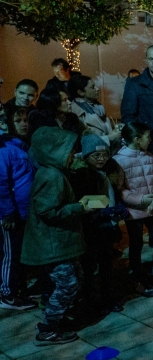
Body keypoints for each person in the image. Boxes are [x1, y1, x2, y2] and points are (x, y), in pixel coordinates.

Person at [24, 127, 100, 345]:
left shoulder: (56, 173)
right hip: (53, 244)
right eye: (67, 151)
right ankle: (48, 327)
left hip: (62, 241)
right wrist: (79, 208)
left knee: (75, 279)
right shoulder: (50, 176)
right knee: (67, 283)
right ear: (53, 151)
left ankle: (58, 315)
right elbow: (47, 211)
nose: (71, 155)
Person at [70, 135, 128, 313]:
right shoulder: (80, 174)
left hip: (106, 226)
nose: (102, 159)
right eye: (97, 155)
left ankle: (108, 298)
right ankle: (89, 299)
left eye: (105, 154)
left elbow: (114, 195)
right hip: (90, 227)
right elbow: (81, 201)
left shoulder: (111, 171)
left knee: (107, 265)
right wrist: (102, 208)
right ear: (86, 156)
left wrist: (118, 208)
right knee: (89, 266)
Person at [115, 122, 153, 294]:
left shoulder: (149, 156)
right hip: (134, 212)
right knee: (136, 245)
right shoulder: (119, 161)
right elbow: (120, 190)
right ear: (136, 139)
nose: (150, 139)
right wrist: (140, 199)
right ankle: (138, 279)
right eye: (147, 137)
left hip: (152, 208)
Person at [0, 110, 35, 310]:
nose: (24, 124)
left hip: (22, 212)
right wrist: (8, 213)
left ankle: (17, 289)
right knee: (10, 255)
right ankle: (8, 295)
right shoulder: (5, 150)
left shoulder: (20, 146)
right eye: (18, 120)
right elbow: (1, 184)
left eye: (25, 120)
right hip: (11, 215)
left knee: (17, 253)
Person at [69, 75, 120, 145]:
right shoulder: (77, 111)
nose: (97, 89)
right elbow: (84, 141)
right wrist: (109, 137)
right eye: (92, 87)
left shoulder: (97, 105)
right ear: (80, 92)